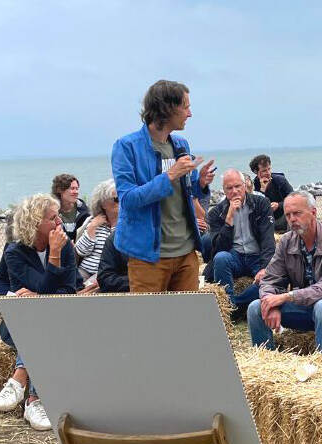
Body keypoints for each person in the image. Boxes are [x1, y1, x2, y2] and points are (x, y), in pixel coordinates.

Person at [111, 79, 215, 292]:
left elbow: (186, 193)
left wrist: (200, 184)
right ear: (168, 108)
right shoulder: (126, 147)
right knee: (148, 323)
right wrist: (169, 176)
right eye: (186, 106)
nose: (190, 113)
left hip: (186, 253)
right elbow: (128, 199)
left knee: (185, 322)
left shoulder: (181, 144)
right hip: (148, 257)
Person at [0, 194, 83, 430]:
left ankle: (19, 379)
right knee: (40, 324)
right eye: (53, 218)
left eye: (59, 216)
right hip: (18, 324)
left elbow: (67, 291)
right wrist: (53, 258)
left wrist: (56, 254)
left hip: (56, 320)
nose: (59, 222)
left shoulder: (65, 247)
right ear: (35, 223)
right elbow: (45, 291)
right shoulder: (15, 252)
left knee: (46, 324)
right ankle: (35, 400)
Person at [248, 192, 322, 357]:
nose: (291, 219)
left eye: (297, 213)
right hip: (308, 305)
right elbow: (270, 279)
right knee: (256, 308)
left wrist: (286, 297)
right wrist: (271, 303)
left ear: (313, 212)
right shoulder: (286, 241)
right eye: (288, 215)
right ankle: (265, 366)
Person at [206, 169, 276, 319]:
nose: (235, 191)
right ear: (223, 190)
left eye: (238, 186)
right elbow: (217, 249)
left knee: (271, 279)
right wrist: (229, 218)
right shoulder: (216, 213)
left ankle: (232, 307)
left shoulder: (261, 203)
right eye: (229, 188)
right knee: (221, 258)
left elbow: (268, 239)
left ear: (244, 185)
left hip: (256, 256)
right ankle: (228, 303)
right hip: (234, 256)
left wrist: (265, 267)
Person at [75, 180, 119, 283]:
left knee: (88, 286)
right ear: (103, 204)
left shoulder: (126, 225)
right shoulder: (92, 222)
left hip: (106, 273)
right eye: (116, 199)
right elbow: (81, 251)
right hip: (84, 270)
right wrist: (92, 227)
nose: (121, 201)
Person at [250, 154, 293, 232]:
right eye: (264, 171)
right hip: (266, 220)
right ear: (256, 172)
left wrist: (278, 205)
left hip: (283, 217)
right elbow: (255, 207)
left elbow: (293, 199)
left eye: (269, 169)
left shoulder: (280, 180)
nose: (268, 173)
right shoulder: (254, 184)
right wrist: (262, 190)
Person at [51, 173, 90, 241]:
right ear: (60, 190)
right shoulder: (51, 212)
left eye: (77, 189)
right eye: (72, 188)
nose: (76, 192)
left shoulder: (84, 212)